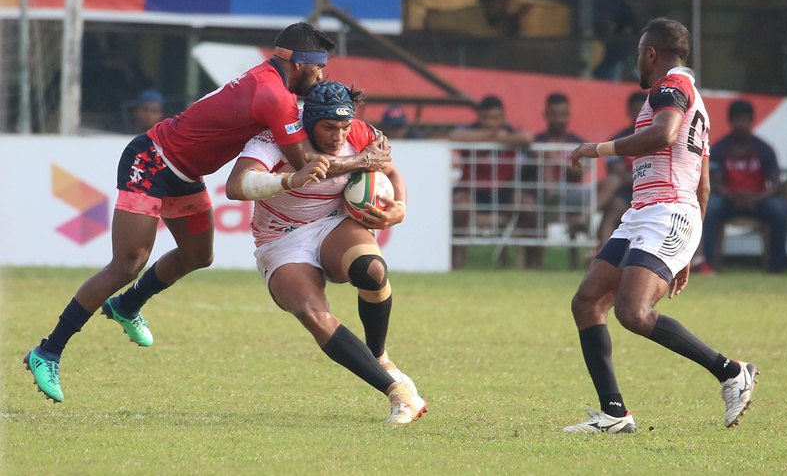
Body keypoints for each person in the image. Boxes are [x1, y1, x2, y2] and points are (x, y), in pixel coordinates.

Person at [23, 22, 390, 404]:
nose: (320, 79)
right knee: (127, 264)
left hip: (185, 172)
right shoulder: (273, 95)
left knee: (199, 255)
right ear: (297, 63)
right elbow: (305, 164)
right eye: (318, 69)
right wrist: (363, 161)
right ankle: (48, 351)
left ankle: (127, 305)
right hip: (150, 161)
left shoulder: (273, 85)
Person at [567, 18, 758, 433]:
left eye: (639, 54)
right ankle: (614, 414)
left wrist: (598, 149)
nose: (637, 61)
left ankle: (730, 371)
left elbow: (664, 136)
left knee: (632, 312)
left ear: (650, 53)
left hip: (666, 212)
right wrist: (690, 248)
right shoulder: (693, 99)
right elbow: (703, 182)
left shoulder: (669, 89)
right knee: (586, 302)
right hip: (646, 214)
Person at [225, 81, 427, 424]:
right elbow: (236, 185)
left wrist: (401, 208)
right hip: (281, 238)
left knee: (372, 270)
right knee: (311, 312)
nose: (338, 136)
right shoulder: (274, 139)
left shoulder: (362, 134)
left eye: (344, 127)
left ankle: (379, 355)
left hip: (334, 223)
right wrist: (290, 179)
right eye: (329, 127)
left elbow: (390, 171)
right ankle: (397, 392)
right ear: (309, 122)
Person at [702, 100, 787, 273]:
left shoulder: (764, 149)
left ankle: (776, 268)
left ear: (751, 121)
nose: (741, 124)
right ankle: (709, 265)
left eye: (745, 119)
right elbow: (716, 183)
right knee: (710, 207)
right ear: (730, 121)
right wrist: (735, 197)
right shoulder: (719, 148)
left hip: (757, 201)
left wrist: (757, 197)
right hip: (729, 201)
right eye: (737, 119)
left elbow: (775, 182)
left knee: (780, 209)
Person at [449, 95, 536, 269]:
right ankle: (456, 266)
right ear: (479, 117)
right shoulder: (471, 131)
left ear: (503, 117)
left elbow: (528, 139)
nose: (490, 122)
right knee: (460, 206)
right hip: (472, 189)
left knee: (529, 207)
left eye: (495, 118)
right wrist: (494, 136)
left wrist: (500, 139)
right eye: (486, 118)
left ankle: (532, 266)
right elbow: (454, 136)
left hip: (505, 190)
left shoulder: (511, 131)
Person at [530, 93, 586, 268]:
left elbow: (579, 174)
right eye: (555, 115)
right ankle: (534, 265)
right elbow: (525, 170)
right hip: (540, 196)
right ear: (546, 115)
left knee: (601, 187)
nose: (559, 120)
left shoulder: (577, 143)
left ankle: (561, 206)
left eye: (563, 115)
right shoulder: (537, 142)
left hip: (571, 195)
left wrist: (555, 159)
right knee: (544, 166)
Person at [595, 92, 648, 247]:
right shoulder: (618, 141)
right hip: (626, 194)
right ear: (628, 111)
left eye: (642, 111)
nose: (639, 115)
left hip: (652, 195)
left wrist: (631, 175)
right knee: (612, 209)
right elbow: (617, 175)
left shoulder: (658, 139)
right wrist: (645, 174)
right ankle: (603, 257)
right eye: (635, 110)